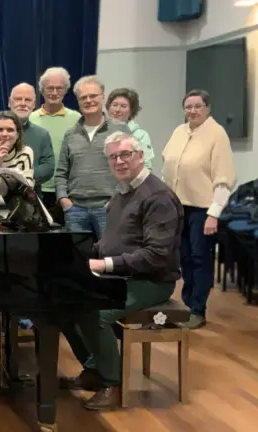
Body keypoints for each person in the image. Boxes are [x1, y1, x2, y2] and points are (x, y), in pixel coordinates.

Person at [59, 132, 184, 411]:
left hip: (151, 281)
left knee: (96, 312)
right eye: (113, 157)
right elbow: (107, 244)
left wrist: (103, 265)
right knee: (63, 305)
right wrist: (76, 256)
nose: (119, 161)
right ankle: (94, 369)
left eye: (125, 154)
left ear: (140, 156)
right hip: (120, 274)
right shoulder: (122, 193)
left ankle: (112, 383)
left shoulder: (158, 197)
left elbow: (156, 256)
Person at [161, 89, 236, 329]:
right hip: (178, 206)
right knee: (182, 257)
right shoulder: (179, 131)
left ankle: (197, 309)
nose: (192, 111)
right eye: (188, 106)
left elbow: (223, 178)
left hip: (202, 209)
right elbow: (167, 167)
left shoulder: (217, 134)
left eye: (197, 106)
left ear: (207, 108)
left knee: (199, 258)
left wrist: (214, 213)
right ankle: (185, 306)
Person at [54, 75, 132, 239]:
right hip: (75, 210)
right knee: (78, 260)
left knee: (109, 258)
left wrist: (116, 201)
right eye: (83, 97)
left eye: (93, 96)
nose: (88, 100)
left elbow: (130, 170)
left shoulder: (120, 130)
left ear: (103, 97)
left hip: (109, 208)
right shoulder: (70, 134)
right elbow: (61, 172)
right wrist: (63, 200)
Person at [29, 67, 81, 223]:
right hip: (37, 189)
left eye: (59, 88)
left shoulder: (77, 119)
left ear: (66, 90)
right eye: (49, 88)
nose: (54, 92)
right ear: (42, 91)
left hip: (66, 191)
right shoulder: (31, 118)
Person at [106, 88, 153, 169]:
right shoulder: (98, 132)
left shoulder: (140, 135)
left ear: (131, 111)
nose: (117, 110)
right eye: (114, 105)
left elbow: (146, 166)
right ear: (108, 107)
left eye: (123, 106)